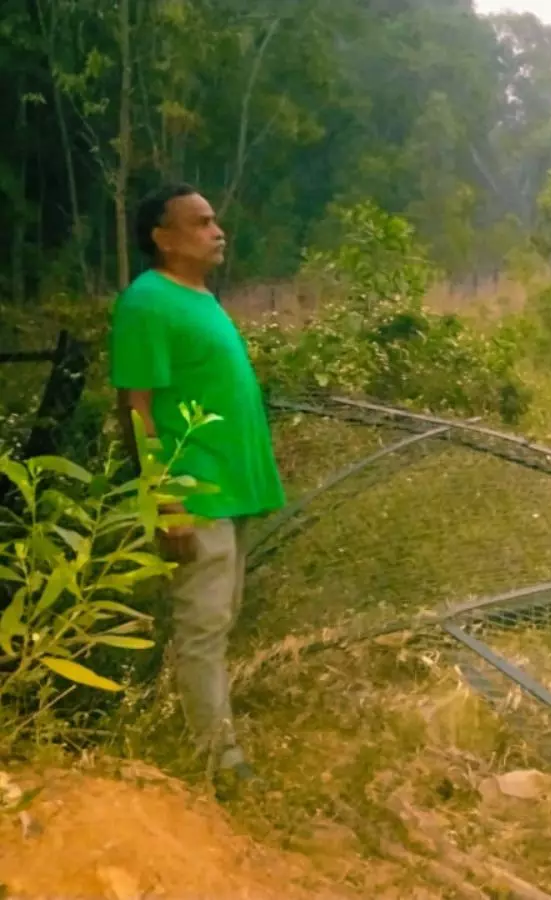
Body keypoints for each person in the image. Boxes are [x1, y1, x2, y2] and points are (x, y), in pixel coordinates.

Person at [109, 182, 286, 799]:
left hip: (233, 490)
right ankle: (218, 762)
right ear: (163, 238)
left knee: (217, 621)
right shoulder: (147, 302)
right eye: (202, 222)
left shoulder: (200, 297)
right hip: (196, 492)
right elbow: (137, 409)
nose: (218, 232)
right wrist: (166, 502)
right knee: (203, 627)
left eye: (215, 222)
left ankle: (201, 734)